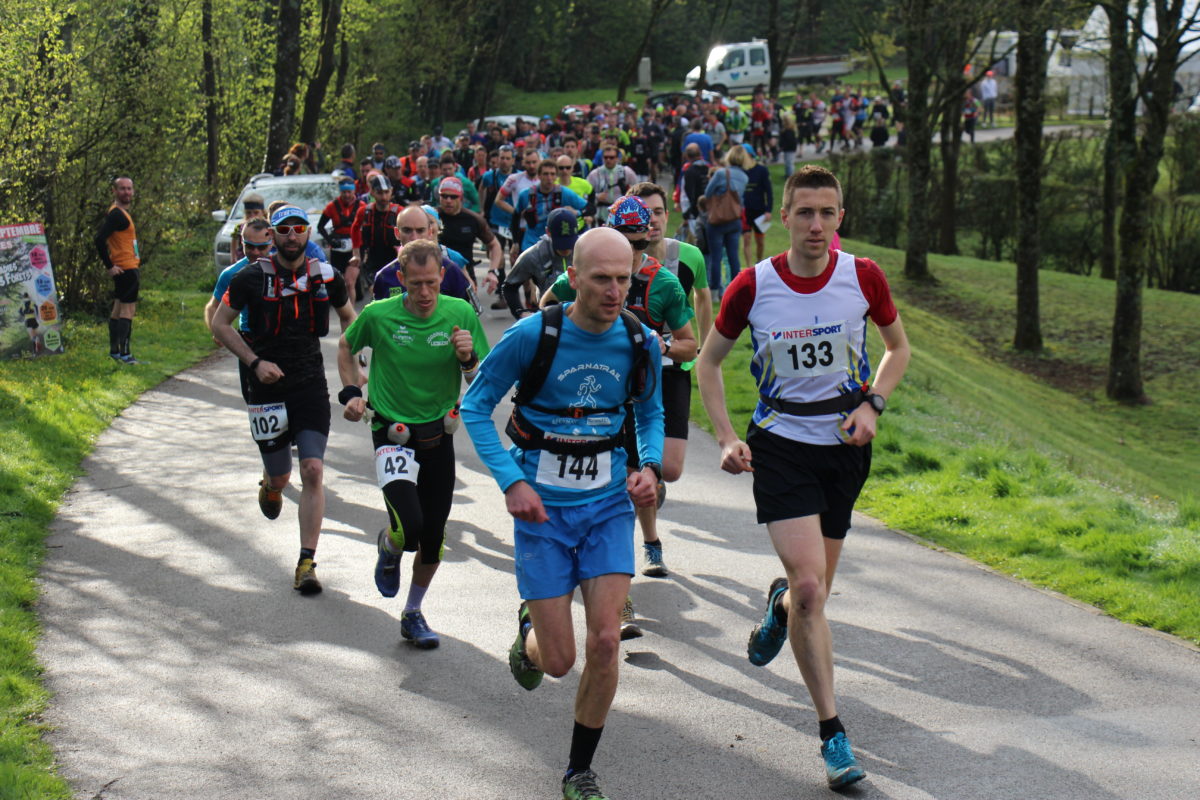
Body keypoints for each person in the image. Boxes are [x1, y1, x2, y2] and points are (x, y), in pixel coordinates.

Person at [695, 165, 911, 791]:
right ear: (783, 217)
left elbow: (898, 348)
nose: (816, 225)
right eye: (805, 212)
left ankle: (778, 605)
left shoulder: (862, 276)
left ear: (840, 217)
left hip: (844, 448)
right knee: (814, 590)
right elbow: (708, 364)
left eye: (828, 213)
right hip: (781, 445)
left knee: (808, 596)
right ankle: (832, 733)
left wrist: (874, 404)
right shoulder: (753, 285)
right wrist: (728, 437)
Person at [461, 227, 663, 800]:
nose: (615, 291)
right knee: (557, 662)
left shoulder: (639, 340)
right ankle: (529, 631)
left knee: (603, 641)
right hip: (542, 514)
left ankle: (579, 770)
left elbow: (649, 414)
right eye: (601, 278)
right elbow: (475, 405)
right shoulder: (534, 335)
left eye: (624, 278)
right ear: (572, 277)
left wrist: (647, 467)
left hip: (606, 507)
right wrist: (513, 482)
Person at [337, 239, 489, 647]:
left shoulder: (458, 314)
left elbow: (483, 382)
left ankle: (413, 612)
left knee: (435, 535)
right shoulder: (378, 314)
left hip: (438, 434)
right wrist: (351, 390)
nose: (424, 294)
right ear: (401, 279)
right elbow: (347, 345)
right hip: (392, 432)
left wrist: (469, 359)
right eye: (415, 284)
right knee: (410, 527)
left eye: (432, 284)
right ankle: (389, 545)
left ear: (443, 277)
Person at [211, 205, 358, 594]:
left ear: (309, 233)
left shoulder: (325, 276)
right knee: (282, 474)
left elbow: (350, 317)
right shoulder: (249, 278)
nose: (291, 236)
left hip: (309, 382)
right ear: (273, 235)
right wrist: (255, 362)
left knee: (312, 469)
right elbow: (219, 324)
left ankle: (306, 562)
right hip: (266, 386)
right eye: (284, 230)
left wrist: (354, 360)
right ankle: (272, 485)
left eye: (298, 229)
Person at [205, 219, 275, 399]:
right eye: (249, 247)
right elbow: (213, 306)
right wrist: (217, 331)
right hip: (250, 342)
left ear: (272, 242)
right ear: (242, 243)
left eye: (262, 247)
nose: (256, 252)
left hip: (282, 340)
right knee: (256, 403)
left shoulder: (284, 267)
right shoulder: (231, 273)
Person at [373, 205, 476, 305]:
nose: (414, 237)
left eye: (420, 230)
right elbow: (377, 319)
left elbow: (467, 316)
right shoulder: (384, 277)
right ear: (397, 233)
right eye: (407, 230)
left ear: (430, 232)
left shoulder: (451, 271)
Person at [94, 176, 142, 364]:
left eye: (129, 189)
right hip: (127, 268)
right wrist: (109, 266)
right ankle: (125, 354)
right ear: (114, 191)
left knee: (117, 310)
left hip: (125, 267)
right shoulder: (116, 214)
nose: (126, 192)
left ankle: (115, 352)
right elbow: (99, 239)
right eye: (122, 189)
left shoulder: (120, 213)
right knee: (127, 311)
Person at [499, 207, 578, 319]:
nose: (566, 249)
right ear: (548, 232)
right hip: (550, 318)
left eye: (569, 242)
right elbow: (509, 287)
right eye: (561, 242)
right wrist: (520, 313)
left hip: (583, 319)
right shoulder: (534, 255)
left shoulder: (585, 250)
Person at [436, 176, 501, 286]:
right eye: (444, 196)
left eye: (453, 197)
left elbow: (494, 245)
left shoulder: (473, 219)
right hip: (437, 275)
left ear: (461, 198)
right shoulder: (432, 216)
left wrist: (492, 271)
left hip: (465, 275)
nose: (448, 200)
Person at [703, 145, 750, 298]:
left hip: (717, 220)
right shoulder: (744, 177)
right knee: (733, 256)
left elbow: (707, 193)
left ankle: (715, 291)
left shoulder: (721, 173)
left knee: (716, 256)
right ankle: (736, 288)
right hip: (735, 220)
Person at [512, 159, 588, 252]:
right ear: (539, 176)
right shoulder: (525, 194)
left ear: (556, 176)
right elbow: (515, 218)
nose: (549, 178)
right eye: (546, 174)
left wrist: (577, 212)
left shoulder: (564, 193)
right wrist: (515, 242)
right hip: (531, 244)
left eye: (552, 174)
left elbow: (590, 208)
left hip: (556, 244)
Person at [349, 173, 401, 302]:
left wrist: (404, 249)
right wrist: (356, 254)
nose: (383, 197)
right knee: (376, 291)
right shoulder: (364, 212)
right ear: (371, 192)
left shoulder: (399, 212)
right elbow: (354, 229)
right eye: (379, 192)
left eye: (386, 192)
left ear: (391, 191)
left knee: (394, 294)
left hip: (394, 260)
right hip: (372, 261)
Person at [318, 178, 365, 277]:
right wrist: (330, 241)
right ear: (340, 192)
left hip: (355, 248)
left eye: (349, 192)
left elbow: (367, 228)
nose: (347, 195)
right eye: (344, 192)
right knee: (339, 279)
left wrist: (365, 245)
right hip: (338, 248)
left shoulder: (361, 206)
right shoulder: (332, 206)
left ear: (354, 191)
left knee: (351, 282)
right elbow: (320, 227)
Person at [740, 144, 773, 269]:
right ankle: (749, 267)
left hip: (760, 210)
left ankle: (759, 263)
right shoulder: (740, 170)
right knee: (746, 239)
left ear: (749, 154)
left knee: (760, 241)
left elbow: (768, 191)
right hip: (745, 211)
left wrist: (768, 210)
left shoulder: (762, 170)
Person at [586, 147, 637, 225]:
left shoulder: (626, 172)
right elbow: (585, 194)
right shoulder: (594, 174)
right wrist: (597, 197)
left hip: (622, 215)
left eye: (611, 157)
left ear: (617, 158)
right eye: (606, 157)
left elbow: (637, 190)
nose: (608, 160)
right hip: (601, 215)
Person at [231, 192, 268, 264]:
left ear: (263, 212)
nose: (252, 216)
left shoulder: (267, 228)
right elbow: (234, 241)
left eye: (256, 212)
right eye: (248, 213)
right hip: (244, 260)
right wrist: (233, 257)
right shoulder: (239, 227)